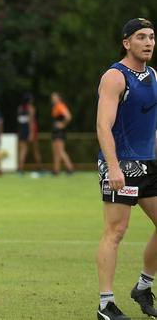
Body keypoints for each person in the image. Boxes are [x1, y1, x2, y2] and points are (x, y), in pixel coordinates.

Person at [96, 18, 157, 320]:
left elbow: (151, 125)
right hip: (121, 164)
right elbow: (103, 125)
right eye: (141, 37)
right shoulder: (115, 76)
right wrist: (113, 167)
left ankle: (143, 286)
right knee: (116, 231)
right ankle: (105, 305)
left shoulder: (153, 74)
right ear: (126, 42)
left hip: (148, 163)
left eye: (152, 37)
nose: (148, 42)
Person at [17, 93, 42, 174]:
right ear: (30, 100)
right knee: (35, 150)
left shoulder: (20, 108)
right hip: (30, 130)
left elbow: (19, 121)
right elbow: (31, 122)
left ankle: (20, 169)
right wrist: (31, 133)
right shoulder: (31, 109)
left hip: (21, 130)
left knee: (23, 150)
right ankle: (39, 168)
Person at [50, 92, 75, 175]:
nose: (53, 99)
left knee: (60, 151)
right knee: (56, 151)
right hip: (55, 131)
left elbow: (68, 116)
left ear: (58, 98)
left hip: (59, 132)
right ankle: (56, 170)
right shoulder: (55, 107)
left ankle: (70, 168)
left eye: (54, 97)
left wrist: (62, 124)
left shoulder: (60, 106)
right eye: (52, 97)